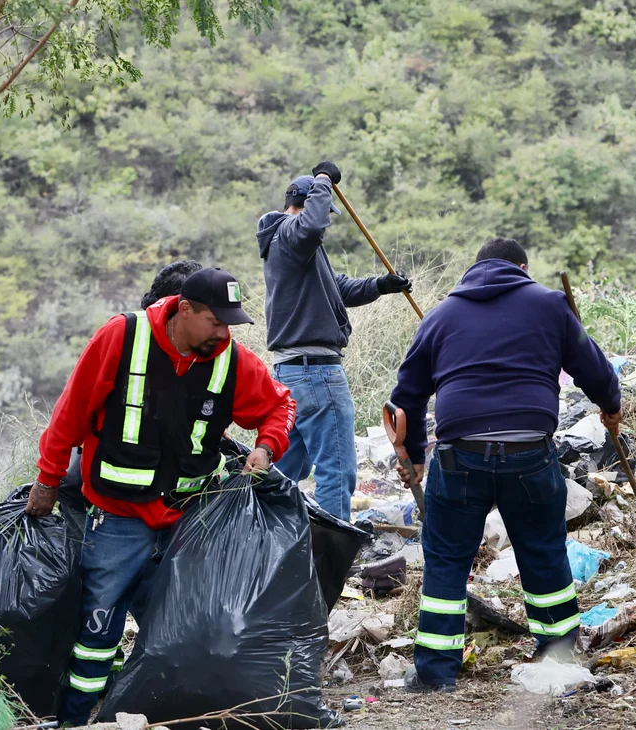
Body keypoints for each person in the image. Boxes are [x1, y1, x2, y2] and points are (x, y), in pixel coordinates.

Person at [25, 267, 296, 726]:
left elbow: (280, 405)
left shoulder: (233, 360)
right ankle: (75, 719)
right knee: (99, 627)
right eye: (215, 321)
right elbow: (70, 411)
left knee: (186, 627)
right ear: (184, 310)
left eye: (230, 323)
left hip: (187, 519)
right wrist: (48, 478)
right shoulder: (122, 336)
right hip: (117, 516)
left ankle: (171, 713)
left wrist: (267, 447)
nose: (223, 332)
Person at [389, 237, 621, 693]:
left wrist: (415, 457)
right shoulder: (550, 306)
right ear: (521, 266)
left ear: (474, 270)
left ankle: (435, 675)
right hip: (528, 454)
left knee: (447, 560)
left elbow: (406, 396)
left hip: (459, 455)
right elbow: (592, 366)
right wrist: (609, 406)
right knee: (542, 551)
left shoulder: (440, 316)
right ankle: (556, 658)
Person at [257, 161, 413, 520]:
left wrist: (380, 285)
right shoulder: (293, 236)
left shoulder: (293, 249)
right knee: (336, 470)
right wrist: (324, 179)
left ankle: (270, 545)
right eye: (324, 210)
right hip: (316, 374)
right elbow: (311, 225)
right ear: (306, 203)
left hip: (291, 373)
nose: (325, 221)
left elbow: (338, 287)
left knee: (285, 471)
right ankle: (331, 560)